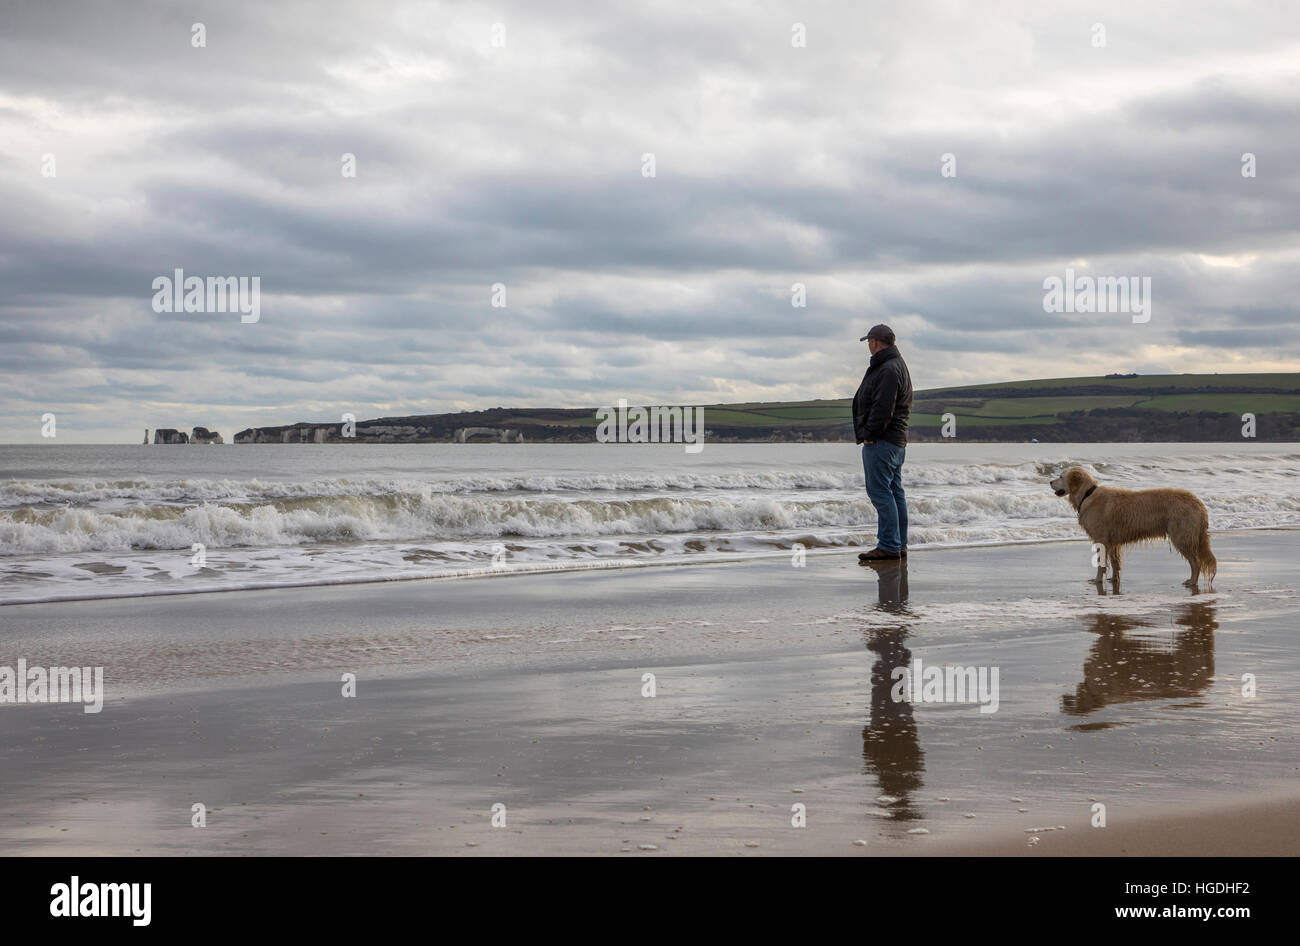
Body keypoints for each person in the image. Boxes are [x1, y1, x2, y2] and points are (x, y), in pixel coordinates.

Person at [852, 324, 913, 561]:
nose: (868, 346)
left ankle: (889, 545)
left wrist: (869, 433)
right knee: (895, 492)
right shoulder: (896, 364)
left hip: (883, 440)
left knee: (881, 493)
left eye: (869, 342)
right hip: (895, 440)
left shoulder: (887, 368)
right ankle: (898, 544)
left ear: (876, 342)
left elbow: (883, 408)